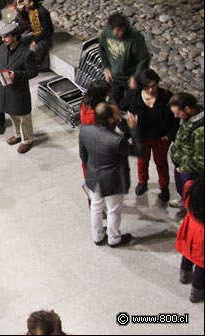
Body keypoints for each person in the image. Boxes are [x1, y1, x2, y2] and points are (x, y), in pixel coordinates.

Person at [80, 102, 143, 247]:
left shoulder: (85, 130)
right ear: (109, 119)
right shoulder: (117, 140)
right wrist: (134, 129)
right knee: (114, 210)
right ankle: (114, 238)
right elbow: (139, 151)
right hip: (112, 180)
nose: (119, 115)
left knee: (96, 206)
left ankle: (97, 236)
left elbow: (83, 155)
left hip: (93, 176)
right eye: (116, 114)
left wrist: (91, 168)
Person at [119, 69, 178, 203]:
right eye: (147, 87)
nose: (151, 90)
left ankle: (164, 188)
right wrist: (128, 128)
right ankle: (142, 182)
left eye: (154, 86)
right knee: (142, 161)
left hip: (161, 138)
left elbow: (176, 119)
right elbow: (121, 111)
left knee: (161, 163)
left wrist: (169, 136)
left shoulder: (166, 97)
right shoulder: (133, 96)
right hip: (141, 138)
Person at [0, 22, 38, 154]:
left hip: (19, 89)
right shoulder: (3, 48)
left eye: (6, 37)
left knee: (23, 116)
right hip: (6, 87)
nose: (3, 40)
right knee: (12, 113)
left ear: (15, 36)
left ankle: (27, 140)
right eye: (2, 37)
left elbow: (33, 72)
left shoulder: (26, 53)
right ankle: (17, 134)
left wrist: (17, 75)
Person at [98, 13, 150, 105]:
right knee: (114, 101)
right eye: (117, 30)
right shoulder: (106, 34)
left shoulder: (135, 39)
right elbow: (102, 50)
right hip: (114, 77)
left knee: (133, 102)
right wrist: (106, 67)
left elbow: (143, 59)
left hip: (130, 77)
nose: (120, 33)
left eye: (122, 30)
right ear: (111, 28)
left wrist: (135, 76)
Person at [168, 92, 204, 215]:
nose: (175, 116)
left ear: (188, 109)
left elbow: (201, 159)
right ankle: (184, 200)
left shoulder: (200, 130)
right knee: (182, 188)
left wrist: (184, 168)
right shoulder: (187, 118)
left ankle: (191, 214)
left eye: (178, 113)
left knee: (194, 195)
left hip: (191, 171)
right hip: (181, 165)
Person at [175, 176, 204, 303]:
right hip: (202, 235)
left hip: (190, 227)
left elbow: (188, 183)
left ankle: (184, 276)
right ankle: (196, 292)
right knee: (202, 263)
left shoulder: (190, 189)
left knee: (187, 253)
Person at [23, 0, 54, 71]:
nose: (24, 2)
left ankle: (35, 66)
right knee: (20, 39)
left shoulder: (42, 12)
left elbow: (47, 30)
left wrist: (35, 41)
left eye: (26, 1)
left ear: (31, 2)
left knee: (33, 50)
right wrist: (21, 11)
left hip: (44, 37)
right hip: (35, 33)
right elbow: (25, 20)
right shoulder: (30, 9)